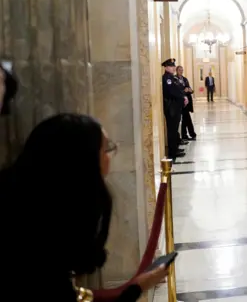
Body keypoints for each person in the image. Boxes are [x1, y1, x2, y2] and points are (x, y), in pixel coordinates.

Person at [1, 113, 168, 301]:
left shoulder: (38, 208)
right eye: (106, 149)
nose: (110, 157)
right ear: (82, 161)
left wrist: (138, 287)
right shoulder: (36, 240)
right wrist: (137, 289)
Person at [162, 58, 187, 159]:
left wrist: (183, 96)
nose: (173, 68)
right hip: (171, 108)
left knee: (175, 129)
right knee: (172, 130)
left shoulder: (172, 78)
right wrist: (182, 97)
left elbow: (178, 89)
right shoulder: (167, 78)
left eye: (174, 66)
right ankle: (173, 152)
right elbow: (172, 92)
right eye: (172, 66)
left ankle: (175, 148)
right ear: (166, 67)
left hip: (175, 108)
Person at [176, 66, 197, 140]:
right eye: (179, 70)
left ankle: (185, 135)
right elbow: (177, 90)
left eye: (182, 70)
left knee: (185, 119)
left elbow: (189, 88)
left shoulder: (185, 79)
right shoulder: (175, 79)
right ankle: (192, 134)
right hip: (180, 102)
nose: (181, 71)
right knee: (187, 119)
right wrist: (184, 90)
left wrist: (191, 90)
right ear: (176, 70)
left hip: (187, 102)